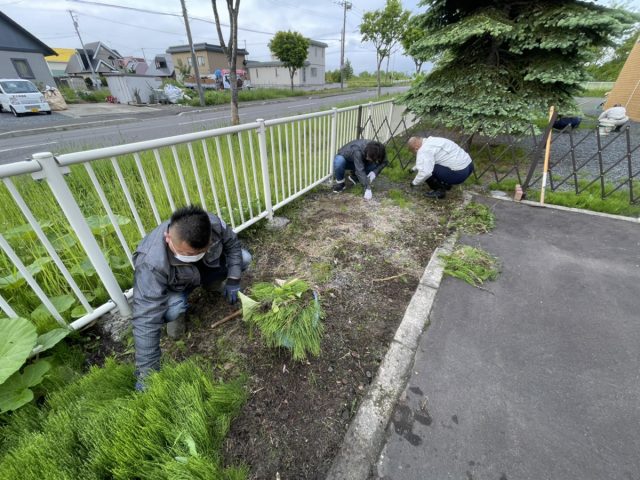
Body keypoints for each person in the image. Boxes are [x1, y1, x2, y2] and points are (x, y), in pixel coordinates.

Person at [131, 205, 251, 385]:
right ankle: (177, 314)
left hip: (205, 270)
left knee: (245, 258)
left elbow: (233, 245)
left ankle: (212, 283)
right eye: (187, 254)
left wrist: (233, 278)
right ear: (168, 238)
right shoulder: (151, 263)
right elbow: (145, 318)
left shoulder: (212, 224)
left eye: (201, 251)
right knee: (174, 307)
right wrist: (147, 371)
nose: (194, 256)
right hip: (177, 286)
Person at [408, 136, 474, 199]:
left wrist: (414, 183)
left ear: (416, 148)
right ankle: (446, 184)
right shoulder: (432, 140)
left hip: (459, 174)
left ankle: (439, 191)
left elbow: (425, 171)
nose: (416, 154)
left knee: (428, 169)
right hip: (469, 166)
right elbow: (425, 160)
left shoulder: (424, 150)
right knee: (431, 164)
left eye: (414, 153)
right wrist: (413, 169)